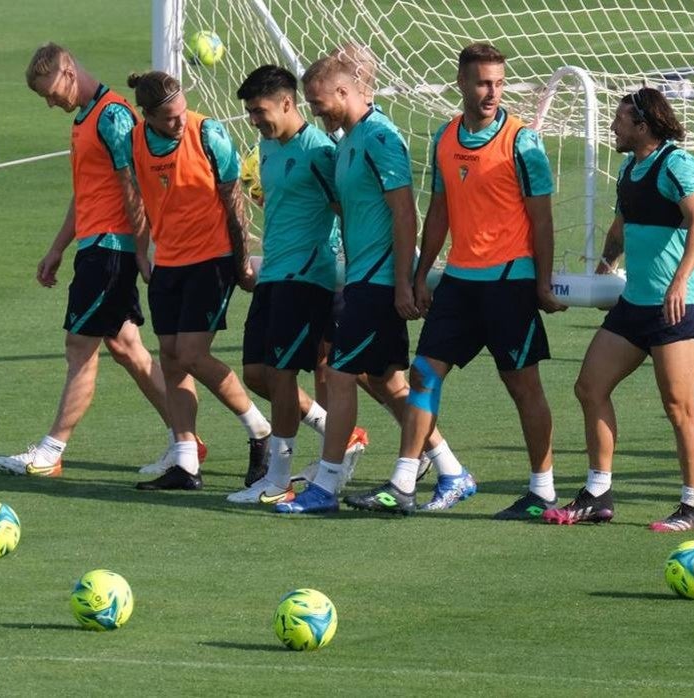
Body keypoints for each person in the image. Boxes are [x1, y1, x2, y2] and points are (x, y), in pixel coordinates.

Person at [351, 43, 568, 516]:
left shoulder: (522, 142)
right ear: (462, 83)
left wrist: (543, 283)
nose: (492, 92)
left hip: (510, 281)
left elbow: (543, 221)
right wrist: (421, 273)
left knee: (522, 386)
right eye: (483, 82)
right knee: (425, 372)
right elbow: (441, 211)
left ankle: (543, 491)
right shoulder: (445, 137)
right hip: (460, 280)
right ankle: (404, 482)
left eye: (499, 82)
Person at [0, 42, 191, 477]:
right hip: (95, 246)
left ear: (69, 71)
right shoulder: (87, 118)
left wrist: (143, 249)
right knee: (128, 349)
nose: (50, 103)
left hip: (110, 252)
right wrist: (58, 247)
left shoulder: (113, 116)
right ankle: (186, 441)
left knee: (79, 347)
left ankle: (51, 450)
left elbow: (134, 183)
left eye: (51, 92)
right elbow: (87, 192)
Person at [286, 50, 463, 515]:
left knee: (340, 375)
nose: (314, 109)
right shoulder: (348, 141)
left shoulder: (381, 137)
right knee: (385, 382)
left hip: (380, 280)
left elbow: (404, 212)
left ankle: (325, 487)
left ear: (344, 92)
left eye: (318, 100)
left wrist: (404, 283)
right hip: (363, 276)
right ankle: (451, 470)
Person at [543, 87, 694, 531]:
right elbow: (621, 226)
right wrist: (604, 265)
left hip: (675, 309)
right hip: (634, 305)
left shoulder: (675, 164)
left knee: (679, 407)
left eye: (620, 120)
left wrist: (679, 281)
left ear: (643, 125)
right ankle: (598, 492)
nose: (613, 128)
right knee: (589, 387)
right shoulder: (628, 167)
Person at [228, 65, 371, 504]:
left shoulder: (319, 151)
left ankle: (278, 479)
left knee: (283, 373)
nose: (255, 119)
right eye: (251, 112)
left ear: (288, 103)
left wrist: (354, 269)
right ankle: (337, 430)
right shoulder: (267, 147)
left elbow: (343, 210)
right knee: (256, 374)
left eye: (260, 110)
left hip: (306, 278)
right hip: (273, 274)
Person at [125, 70, 273, 491]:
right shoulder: (136, 141)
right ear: (148, 116)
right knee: (170, 357)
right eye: (169, 118)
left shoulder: (209, 134)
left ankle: (259, 428)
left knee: (190, 353)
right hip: (168, 260)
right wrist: (141, 250)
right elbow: (138, 196)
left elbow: (234, 202)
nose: (180, 121)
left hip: (212, 259)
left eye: (181, 111)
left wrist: (242, 263)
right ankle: (187, 461)